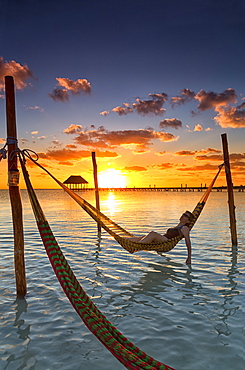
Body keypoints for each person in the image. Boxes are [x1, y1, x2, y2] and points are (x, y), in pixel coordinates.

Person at [126, 211, 194, 265]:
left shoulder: (185, 228)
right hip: (162, 240)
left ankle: (135, 246)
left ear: (188, 221)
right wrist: (159, 249)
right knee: (143, 237)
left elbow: (188, 242)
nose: (183, 215)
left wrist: (189, 258)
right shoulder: (175, 227)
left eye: (186, 216)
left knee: (153, 234)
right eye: (183, 214)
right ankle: (125, 240)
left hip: (167, 242)